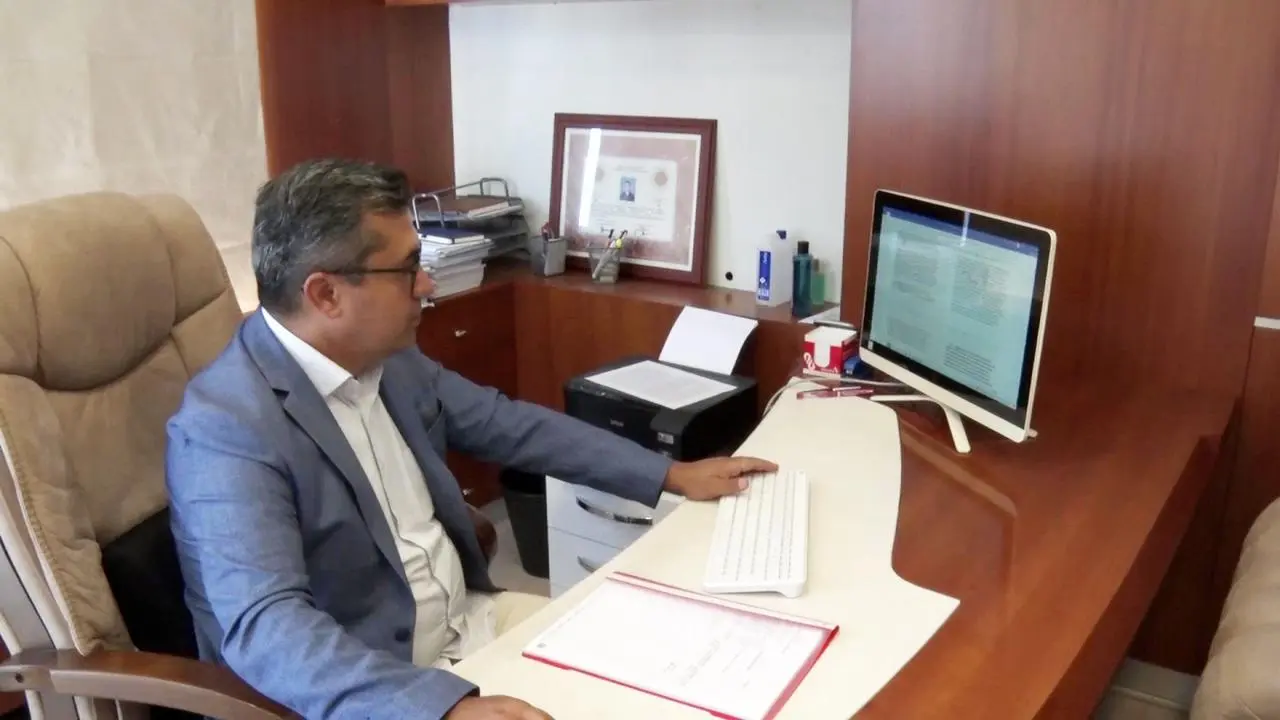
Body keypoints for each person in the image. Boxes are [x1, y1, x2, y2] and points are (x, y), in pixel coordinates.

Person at [166, 158, 777, 720]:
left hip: (469, 628)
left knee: (676, 670)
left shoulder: (386, 358)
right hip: (382, 690)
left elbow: (510, 425)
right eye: (408, 269)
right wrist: (440, 709)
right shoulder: (225, 428)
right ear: (326, 294)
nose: (427, 285)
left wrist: (669, 474)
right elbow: (266, 627)